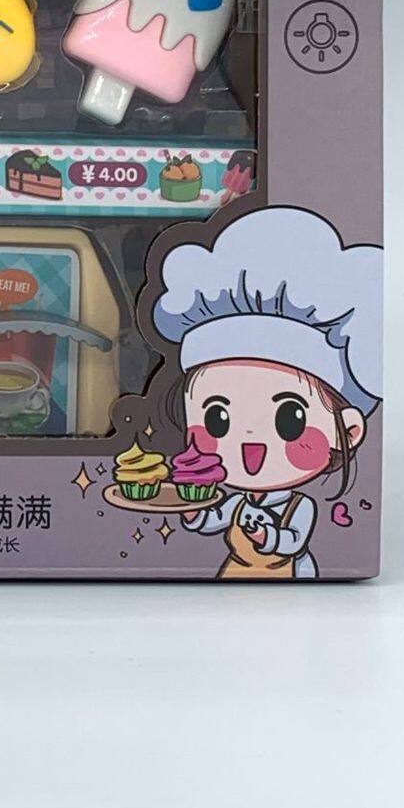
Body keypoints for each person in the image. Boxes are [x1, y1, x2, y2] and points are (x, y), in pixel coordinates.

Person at [152, 207, 380, 581]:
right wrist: (191, 509)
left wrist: (267, 535)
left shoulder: (299, 505)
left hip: (291, 575)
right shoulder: (238, 501)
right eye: (217, 419)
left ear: (349, 431)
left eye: (290, 420)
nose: (249, 440)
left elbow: (292, 541)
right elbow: (212, 519)